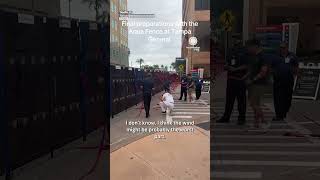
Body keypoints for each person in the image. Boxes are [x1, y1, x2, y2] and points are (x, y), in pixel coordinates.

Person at [218, 41, 249, 125]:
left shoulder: (245, 52)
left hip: (240, 79)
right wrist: (226, 66)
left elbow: (247, 65)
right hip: (231, 79)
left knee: (241, 100)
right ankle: (226, 117)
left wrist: (236, 69)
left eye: (237, 40)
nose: (235, 42)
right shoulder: (230, 51)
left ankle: (241, 118)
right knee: (229, 100)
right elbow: (227, 62)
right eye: (234, 40)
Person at [245, 39, 272, 129]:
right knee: (255, 104)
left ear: (255, 46)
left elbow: (263, 71)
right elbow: (252, 70)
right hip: (253, 83)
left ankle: (264, 121)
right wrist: (246, 77)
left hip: (259, 83)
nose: (248, 49)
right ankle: (256, 123)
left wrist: (252, 80)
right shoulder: (254, 56)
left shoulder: (263, 56)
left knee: (254, 104)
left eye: (249, 47)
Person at [272, 42, 299, 121]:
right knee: (278, 98)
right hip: (278, 80)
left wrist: (297, 73)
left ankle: (284, 112)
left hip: (289, 80)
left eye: (284, 48)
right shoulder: (276, 56)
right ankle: (279, 115)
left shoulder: (292, 56)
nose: (282, 49)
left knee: (288, 98)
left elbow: (296, 66)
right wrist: (273, 73)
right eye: (281, 48)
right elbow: (271, 67)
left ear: (287, 48)